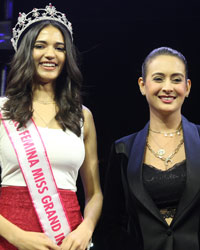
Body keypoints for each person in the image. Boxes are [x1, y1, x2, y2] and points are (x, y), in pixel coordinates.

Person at [0, 3, 103, 250]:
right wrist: (16, 236)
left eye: (60, 48)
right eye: (40, 46)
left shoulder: (82, 116)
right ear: (26, 51)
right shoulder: (2, 111)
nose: (50, 54)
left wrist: (86, 229)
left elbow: (95, 194)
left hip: (67, 239)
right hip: (9, 237)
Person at [101, 46, 200, 250]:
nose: (167, 87)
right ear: (142, 85)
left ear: (187, 87)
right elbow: (111, 224)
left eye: (176, 79)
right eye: (158, 78)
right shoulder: (122, 150)